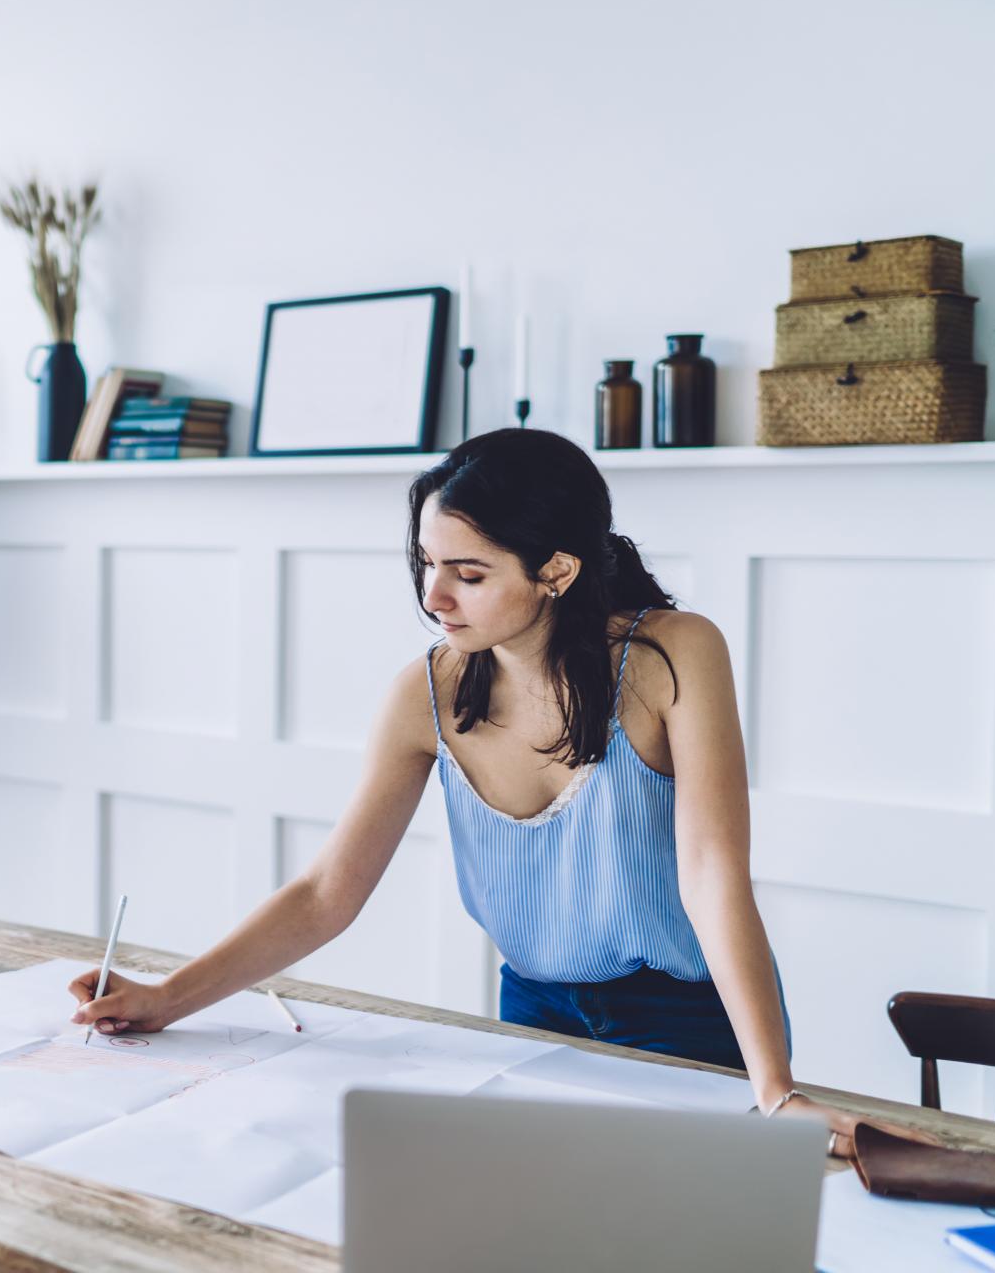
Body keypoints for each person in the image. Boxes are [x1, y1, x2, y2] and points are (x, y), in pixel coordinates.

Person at [68, 427, 901, 1160]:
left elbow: (712, 873)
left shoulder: (672, 654)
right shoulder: (424, 694)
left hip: (685, 1016)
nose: (434, 597)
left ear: (557, 570)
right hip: (531, 1006)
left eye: (467, 572)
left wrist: (776, 1088)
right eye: (427, 565)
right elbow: (326, 893)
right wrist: (162, 999)